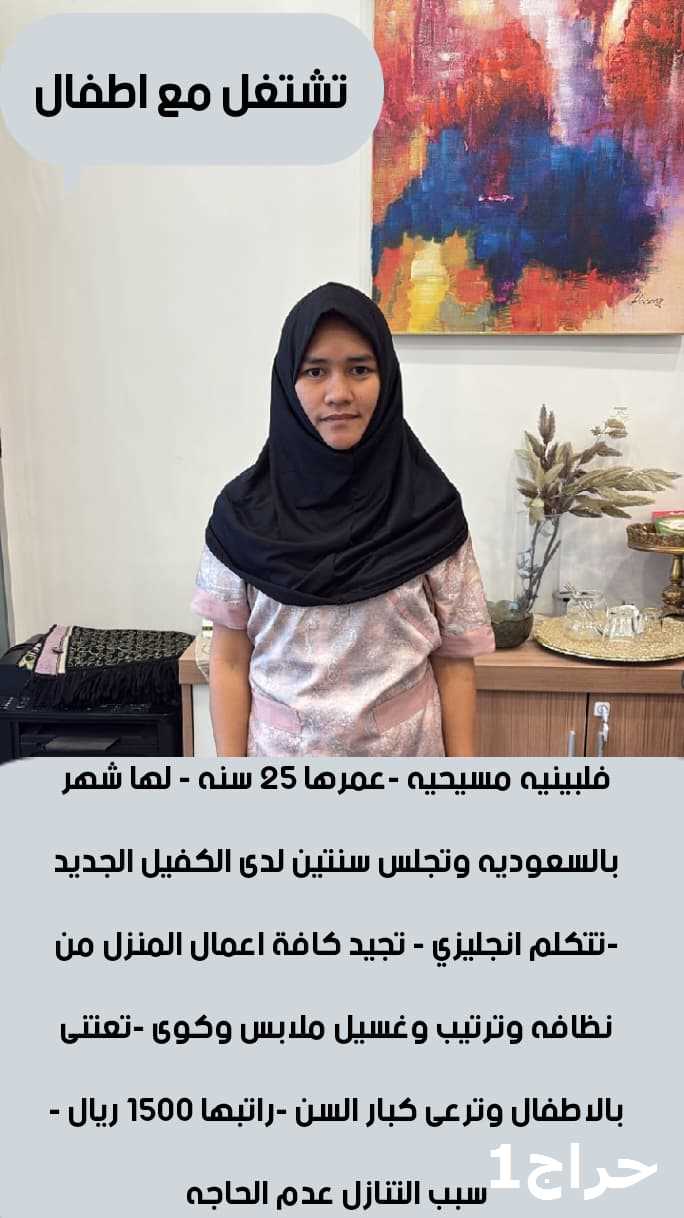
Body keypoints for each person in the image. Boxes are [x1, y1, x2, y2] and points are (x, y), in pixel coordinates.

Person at [191, 282, 494, 756]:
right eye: (315, 371)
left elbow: (455, 662)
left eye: (359, 369)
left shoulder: (430, 512)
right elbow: (229, 663)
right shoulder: (241, 518)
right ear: (287, 383)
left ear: (387, 379)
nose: (338, 393)